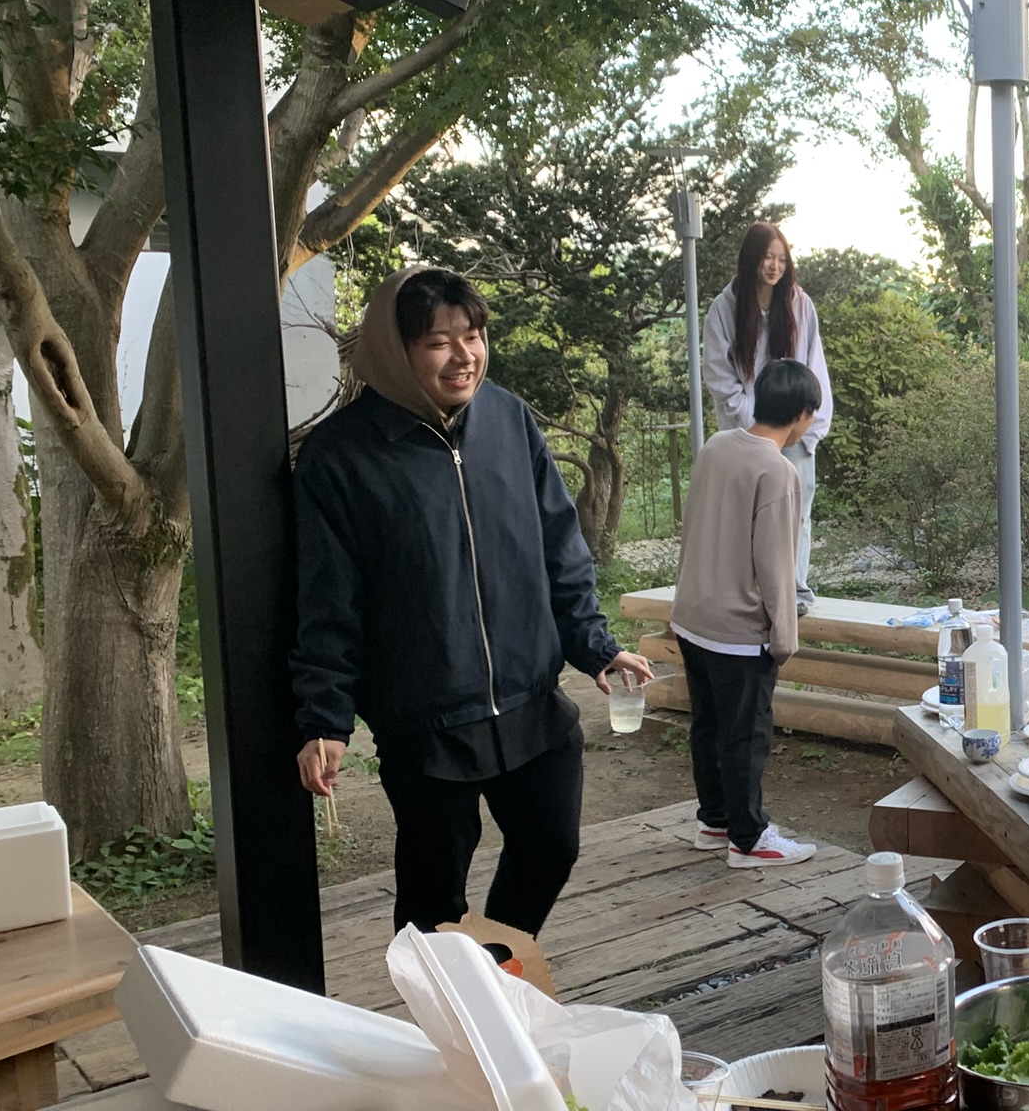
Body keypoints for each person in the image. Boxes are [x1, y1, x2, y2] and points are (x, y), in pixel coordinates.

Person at [291, 266, 651, 935]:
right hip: (426, 721)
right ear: (395, 351)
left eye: (474, 336)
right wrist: (325, 718)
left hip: (530, 700)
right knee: (433, 897)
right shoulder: (341, 456)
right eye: (438, 342)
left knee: (550, 846)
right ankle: (448, 989)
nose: (464, 356)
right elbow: (327, 598)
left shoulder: (509, 419)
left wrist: (595, 645)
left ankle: (496, 971)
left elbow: (559, 547)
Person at [675, 358, 822, 867]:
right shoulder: (777, 471)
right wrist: (784, 637)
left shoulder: (716, 446)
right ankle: (748, 838)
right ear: (802, 415)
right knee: (746, 734)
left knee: (708, 726)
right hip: (738, 630)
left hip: (693, 615)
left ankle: (715, 821)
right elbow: (776, 563)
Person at [703, 222, 832, 614]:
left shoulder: (798, 304)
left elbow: (813, 364)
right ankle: (747, 593)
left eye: (781, 259)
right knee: (746, 516)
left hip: (794, 430)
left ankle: (793, 593)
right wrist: (754, 425)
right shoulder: (725, 307)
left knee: (796, 514)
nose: (774, 266)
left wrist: (808, 428)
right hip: (747, 432)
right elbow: (719, 375)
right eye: (767, 258)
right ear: (751, 259)